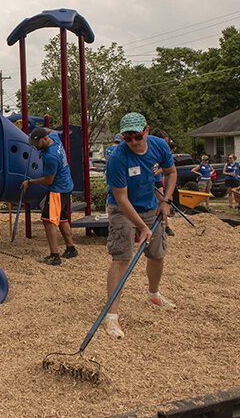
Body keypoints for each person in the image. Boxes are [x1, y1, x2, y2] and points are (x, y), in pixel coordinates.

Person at [102, 112, 177, 339]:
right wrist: (142, 228)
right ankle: (111, 316)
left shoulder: (159, 146)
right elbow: (121, 198)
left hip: (149, 206)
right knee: (122, 258)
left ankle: (153, 294)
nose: (133, 142)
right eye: (128, 138)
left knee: (157, 254)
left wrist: (166, 201)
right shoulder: (117, 158)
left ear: (146, 130)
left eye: (137, 136)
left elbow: (171, 172)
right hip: (121, 209)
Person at [21, 126, 77, 266]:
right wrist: (37, 131)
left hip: (57, 189)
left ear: (44, 139)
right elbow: (50, 130)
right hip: (67, 186)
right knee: (62, 218)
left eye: (37, 143)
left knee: (48, 220)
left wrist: (30, 182)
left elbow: (48, 180)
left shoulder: (50, 156)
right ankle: (71, 248)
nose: (36, 147)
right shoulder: (55, 139)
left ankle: (54, 255)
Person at [150, 129, 175, 237]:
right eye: (164, 141)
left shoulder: (164, 153)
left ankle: (166, 226)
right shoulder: (149, 150)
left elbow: (167, 169)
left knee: (162, 201)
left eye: (167, 142)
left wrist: (156, 173)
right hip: (148, 182)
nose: (165, 144)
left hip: (157, 181)